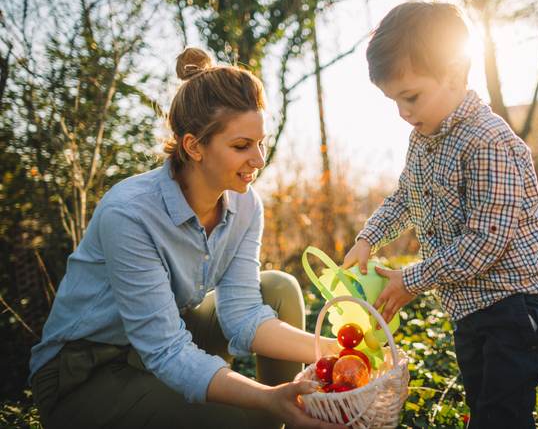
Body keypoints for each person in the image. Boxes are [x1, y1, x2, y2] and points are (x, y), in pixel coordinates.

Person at [29, 47, 343, 429]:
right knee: (243, 417)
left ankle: (286, 414)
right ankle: (271, 412)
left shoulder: (245, 206)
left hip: (165, 341)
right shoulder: (129, 213)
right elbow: (166, 350)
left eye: (260, 142)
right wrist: (263, 399)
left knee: (277, 288)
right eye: (241, 146)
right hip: (84, 374)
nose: (259, 160)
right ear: (193, 146)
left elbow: (243, 316)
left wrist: (333, 350)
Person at [341, 1, 538, 429]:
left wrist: (413, 279)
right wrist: (369, 237)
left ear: (455, 75)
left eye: (411, 96)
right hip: (469, 306)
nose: (403, 111)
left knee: (504, 413)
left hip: (518, 305)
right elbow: (407, 195)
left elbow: (485, 243)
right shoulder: (423, 138)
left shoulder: (487, 143)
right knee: (482, 402)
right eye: (394, 101)